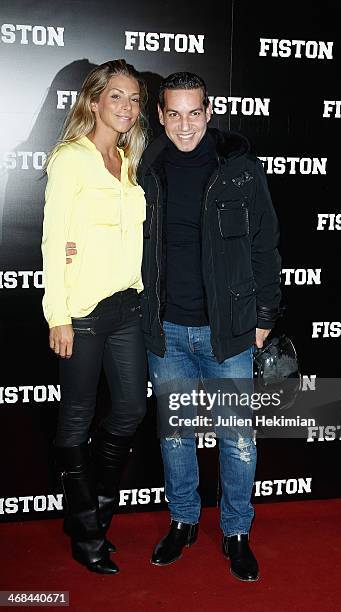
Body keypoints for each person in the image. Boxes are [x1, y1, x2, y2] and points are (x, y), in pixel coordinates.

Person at [137, 72, 281, 582]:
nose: (184, 125)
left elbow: (265, 246)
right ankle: (184, 521)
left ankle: (236, 530)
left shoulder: (240, 169)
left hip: (229, 332)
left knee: (238, 438)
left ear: (209, 110)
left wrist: (263, 319)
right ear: (159, 115)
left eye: (193, 112)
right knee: (175, 435)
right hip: (167, 331)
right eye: (173, 114)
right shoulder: (145, 166)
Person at [42, 59, 148, 574]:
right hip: (82, 312)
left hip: (128, 307)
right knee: (77, 420)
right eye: (117, 97)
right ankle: (87, 532)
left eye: (134, 99)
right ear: (93, 101)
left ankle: (94, 514)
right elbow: (51, 239)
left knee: (130, 409)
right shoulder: (71, 160)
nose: (127, 107)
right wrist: (57, 314)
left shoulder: (130, 162)